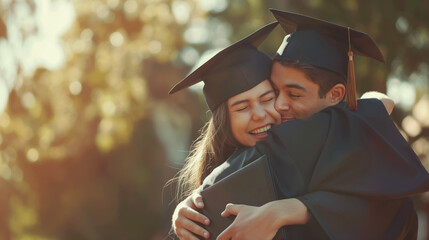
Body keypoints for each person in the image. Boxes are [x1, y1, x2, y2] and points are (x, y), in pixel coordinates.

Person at [171, 10, 429, 240]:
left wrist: (288, 210)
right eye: (242, 106)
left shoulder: (359, 161)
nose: (276, 108)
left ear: (336, 95)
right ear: (222, 120)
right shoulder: (225, 178)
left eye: (269, 97)